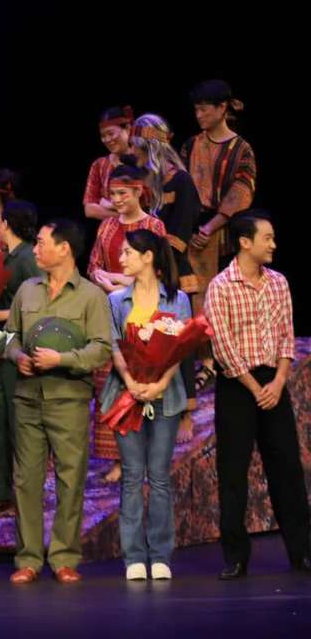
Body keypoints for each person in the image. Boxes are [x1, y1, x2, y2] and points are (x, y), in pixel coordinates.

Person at [203, 212, 311, 579]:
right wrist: (254, 387)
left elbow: (286, 336)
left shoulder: (278, 282)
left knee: (287, 468)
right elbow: (223, 346)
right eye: (268, 238)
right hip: (237, 384)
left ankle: (302, 551)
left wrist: (278, 382)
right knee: (233, 471)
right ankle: (236, 556)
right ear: (245, 242)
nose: (274, 244)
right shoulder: (221, 286)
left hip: (273, 381)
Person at [5, 219, 112, 584]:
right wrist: (17, 356)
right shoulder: (27, 290)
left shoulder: (91, 296)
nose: (35, 249)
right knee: (26, 480)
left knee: (70, 478)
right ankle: (29, 558)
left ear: (64, 248)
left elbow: (102, 348)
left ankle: (64, 556)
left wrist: (61, 359)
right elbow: (9, 336)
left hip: (69, 399)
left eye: (41, 243)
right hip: (27, 398)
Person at [101, 229, 191, 581]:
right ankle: (134, 556)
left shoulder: (177, 299)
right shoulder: (116, 300)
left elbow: (181, 346)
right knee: (132, 476)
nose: (121, 258)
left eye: (127, 252)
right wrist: (131, 381)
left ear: (148, 257)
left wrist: (161, 383)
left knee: (160, 477)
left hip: (164, 397)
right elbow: (113, 344)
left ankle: (161, 555)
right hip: (128, 396)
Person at [88, 166, 168, 482]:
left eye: (123, 193)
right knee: (110, 383)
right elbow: (94, 265)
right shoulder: (107, 226)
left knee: (140, 383)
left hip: (143, 314)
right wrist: (104, 279)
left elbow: (160, 270)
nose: (117, 199)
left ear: (138, 191)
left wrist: (122, 281)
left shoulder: (154, 226)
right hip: (111, 312)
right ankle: (119, 459)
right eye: (112, 194)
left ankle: (144, 456)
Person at [131, 115, 203, 442]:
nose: (133, 152)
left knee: (178, 344)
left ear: (149, 147)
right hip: (146, 272)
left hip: (172, 271)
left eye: (138, 147)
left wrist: (155, 262)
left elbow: (180, 235)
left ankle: (185, 413)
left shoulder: (181, 182)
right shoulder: (144, 182)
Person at [0, 199, 41, 518]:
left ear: (7, 223)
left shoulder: (28, 256)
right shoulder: (6, 256)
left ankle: (23, 493)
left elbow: (39, 302)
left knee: (18, 424)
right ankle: (0, 493)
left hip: (20, 348)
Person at [181, 81, 258, 297]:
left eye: (204, 109)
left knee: (223, 295)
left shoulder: (241, 150)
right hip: (190, 235)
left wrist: (209, 228)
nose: (198, 115)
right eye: (196, 109)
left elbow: (241, 192)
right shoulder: (190, 145)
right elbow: (181, 188)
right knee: (191, 297)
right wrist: (190, 229)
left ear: (222, 107)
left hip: (225, 237)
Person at [83, 107, 135, 221]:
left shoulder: (142, 160)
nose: (107, 140)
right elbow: (89, 209)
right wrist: (127, 218)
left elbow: (144, 205)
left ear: (127, 128)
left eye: (111, 134)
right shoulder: (99, 165)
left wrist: (107, 204)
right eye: (103, 136)